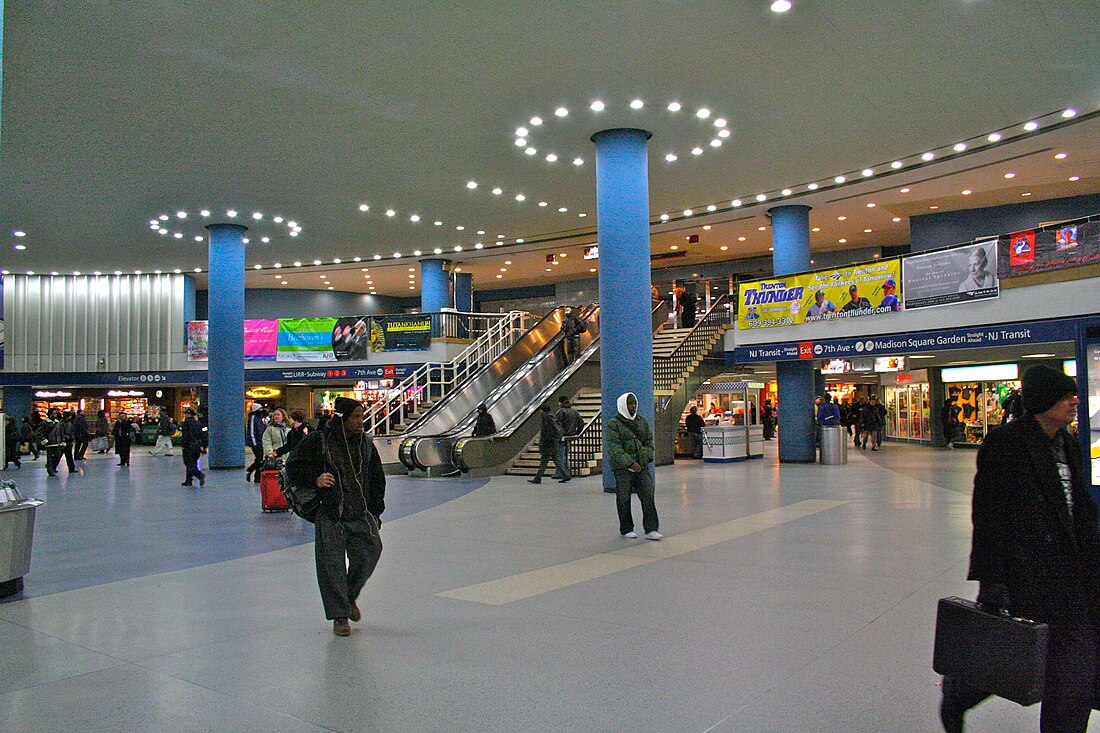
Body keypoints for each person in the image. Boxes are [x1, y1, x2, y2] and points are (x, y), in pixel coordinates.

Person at [940, 364, 1100, 733]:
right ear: (1044, 401)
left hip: (1071, 579)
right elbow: (988, 516)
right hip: (1026, 575)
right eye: (1065, 396)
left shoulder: (1070, 444)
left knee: (1073, 675)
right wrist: (990, 579)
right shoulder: (1006, 444)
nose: (1075, 401)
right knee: (1009, 653)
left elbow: (1081, 511)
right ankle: (961, 692)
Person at [284, 396, 385, 637]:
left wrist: (376, 511)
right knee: (332, 566)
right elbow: (293, 467)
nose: (361, 422)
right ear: (342, 419)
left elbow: (377, 478)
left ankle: (348, 596)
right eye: (356, 417)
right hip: (330, 513)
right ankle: (340, 616)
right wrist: (315, 479)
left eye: (362, 416)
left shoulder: (366, 444)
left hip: (360, 512)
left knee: (370, 552)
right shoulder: (318, 441)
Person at [607, 393, 661, 540]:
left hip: (642, 466)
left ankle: (651, 529)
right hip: (623, 469)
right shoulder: (614, 424)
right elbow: (615, 447)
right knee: (623, 498)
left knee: (648, 496)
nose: (633, 406)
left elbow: (649, 440)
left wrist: (648, 456)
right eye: (630, 404)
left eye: (634, 403)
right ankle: (626, 528)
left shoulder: (641, 421)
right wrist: (630, 463)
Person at [528, 404, 565, 484]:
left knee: (545, 462)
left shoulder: (547, 419)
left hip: (548, 444)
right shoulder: (551, 418)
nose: (539, 412)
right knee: (555, 460)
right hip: (552, 444)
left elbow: (547, 433)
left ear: (543, 411)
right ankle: (566, 475)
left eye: (540, 410)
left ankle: (538, 478)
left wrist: (543, 443)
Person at [554, 395, 583, 481]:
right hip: (570, 436)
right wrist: (577, 433)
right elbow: (581, 423)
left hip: (561, 437)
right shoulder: (574, 412)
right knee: (566, 455)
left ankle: (560, 473)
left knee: (560, 456)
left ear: (561, 402)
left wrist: (557, 435)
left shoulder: (561, 412)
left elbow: (556, 425)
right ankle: (566, 472)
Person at [179, 408, 207, 487]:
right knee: (193, 463)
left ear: (189, 415)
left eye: (186, 414)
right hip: (197, 447)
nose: (186, 415)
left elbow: (185, 436)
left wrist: (183, 445)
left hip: (188, 446)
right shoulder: (199, 423)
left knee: (188, 463)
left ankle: (199, 475)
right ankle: (188, 480)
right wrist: (204, 447)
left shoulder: (185, 424)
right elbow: (204, 435)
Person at [39, 409, 66, 477]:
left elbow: (61, 432)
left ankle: (49, 466)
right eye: (54, 413)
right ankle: (50, 470)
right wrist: (44, 440)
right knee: (50, 457)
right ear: (50, 414)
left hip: (57, 442)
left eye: (56, 413)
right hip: (49, 443)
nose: (55, 415)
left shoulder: (58, 423)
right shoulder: (44, 423)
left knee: (57, 455)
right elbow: (39, 432)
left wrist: (62, 440)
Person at [245, 404, 266, 483]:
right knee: (259, 459)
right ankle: (251, 471)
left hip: (260, 442)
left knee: (260, 460)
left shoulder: (259, 418)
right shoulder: (254, 418)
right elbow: (252, 431)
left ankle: (257, 475)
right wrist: (254, 444)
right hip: (256, 443)